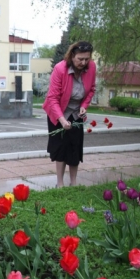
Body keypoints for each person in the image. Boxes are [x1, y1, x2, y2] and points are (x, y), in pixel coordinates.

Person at [42, 41, 96, 187]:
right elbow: (52, 98)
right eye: (80, 59)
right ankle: (60, 184)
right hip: (58, 111)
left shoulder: (91, 67)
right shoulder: (60, 69)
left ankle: (74, 182)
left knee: (74, 147)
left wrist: (84, 105)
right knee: (60, 147)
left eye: (87, 59)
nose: (84, 62)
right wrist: (62, 120)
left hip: (76, 112)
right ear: (72, 56)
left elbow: (91, 89)